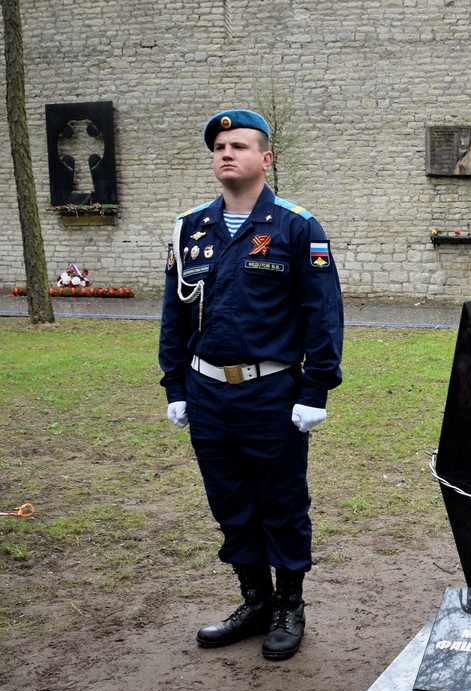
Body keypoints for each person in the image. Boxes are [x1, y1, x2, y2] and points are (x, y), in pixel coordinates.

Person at [158, 109, 344, 661]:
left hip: (271, 393)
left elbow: (323, 313)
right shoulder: (191, 227)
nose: (225, 153)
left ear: (266, 158)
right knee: (230, 501)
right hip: (207, 391)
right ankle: (254, 599)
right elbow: (175, 313)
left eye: (239, 145)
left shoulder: (295, 226)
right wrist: (174, 384)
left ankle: (290, 605)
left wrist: (316, 390)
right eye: (218, 146)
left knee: (281, 501)